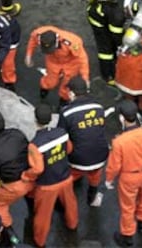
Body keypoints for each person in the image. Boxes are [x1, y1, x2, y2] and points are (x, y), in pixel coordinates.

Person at [105, 99, 142, 247]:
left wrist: (109, 179)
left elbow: (114, 165)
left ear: (121, 118)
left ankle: (127, 235)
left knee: (127, 206)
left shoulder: (119, 142)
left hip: (128, 177)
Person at [22, 104, 78, 248]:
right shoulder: (62, 133)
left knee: (43, 215)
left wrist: (25, 176)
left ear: (36, 120)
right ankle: (72, 224)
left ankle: (40, 241)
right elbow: (69, 149)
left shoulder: (35, 145)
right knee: (70, 204)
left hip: (47, 186)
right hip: (65, 178)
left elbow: (37, 169)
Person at [58, 76, 109, 207]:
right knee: (95, 175)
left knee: (69, 176)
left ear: (72, 93)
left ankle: (64, 201)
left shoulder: (66, 112)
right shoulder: (99, 107)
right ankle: (92, 197)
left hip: (77, 160)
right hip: (100, 156)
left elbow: (61, 136)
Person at [82, 0, 142, 84]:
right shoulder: (118, 16)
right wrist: (122, 46)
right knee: (105, 48)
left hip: (105, 11)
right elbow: (116, 36)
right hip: (97, 19)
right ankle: (108, 76)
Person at [0, 112, 34, 231]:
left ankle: (8, 229)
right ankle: (33, 206)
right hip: (31, 176)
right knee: (31, 196)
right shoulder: (17, 133)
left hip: (14, 185)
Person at [24, 26, 89, 104]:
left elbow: (82, 59)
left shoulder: (72, 42)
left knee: (66, 84)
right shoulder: (40, 35)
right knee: (50, 82)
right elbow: (33, 39)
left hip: (71, 63)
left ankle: (63, 99)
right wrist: (28, 55)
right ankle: (44, 88)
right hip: (53, 61)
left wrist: (85, 77)